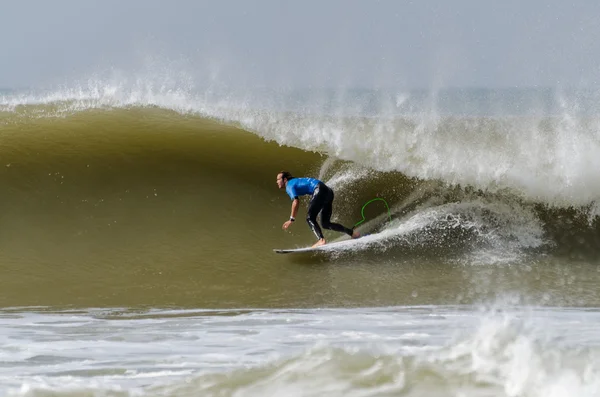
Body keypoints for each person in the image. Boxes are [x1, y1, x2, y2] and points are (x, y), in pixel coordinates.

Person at [276, 171, 360, 247]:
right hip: (328, 191)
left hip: (319, 190)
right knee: (325, 224)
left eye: (278, 179)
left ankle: (321, 240)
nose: (277, 182)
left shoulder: (289, 185)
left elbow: (296, 201)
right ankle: (352, 233)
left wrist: (291, 219)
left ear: (285, 179)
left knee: (310, 218)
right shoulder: (296, 181)